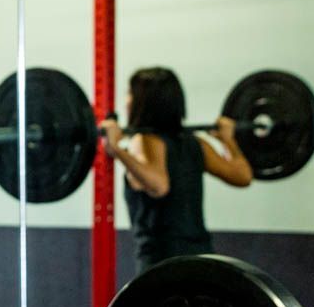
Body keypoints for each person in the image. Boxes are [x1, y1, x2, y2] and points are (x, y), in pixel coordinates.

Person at [100, 67, 253, 271]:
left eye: (130, 93)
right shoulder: (196, 144)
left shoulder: (143, 141)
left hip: (161, 266)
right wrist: (228, 141)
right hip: (202, 259)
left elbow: (159, 186)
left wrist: (117, 150)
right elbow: (242, 175)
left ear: (143, 101)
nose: (126, 100)